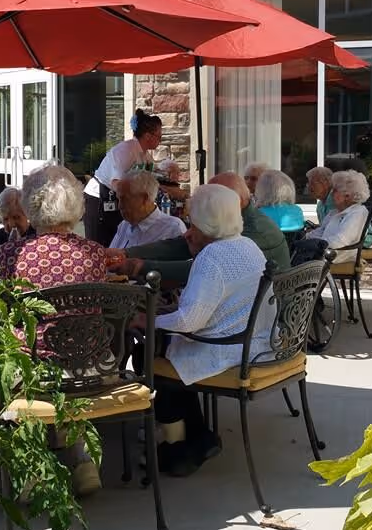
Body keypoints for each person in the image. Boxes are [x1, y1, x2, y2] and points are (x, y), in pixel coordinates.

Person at [136, 184, 268, 476]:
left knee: (148, 356)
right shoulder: (248, 246)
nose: (187, 231)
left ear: (208, 224)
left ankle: (177, 449)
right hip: (249, 343)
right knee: (168, 352)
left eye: (192, 223)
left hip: (222, 349)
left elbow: (189, 321)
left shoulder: (213, 257)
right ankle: (200, 435)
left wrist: (149, 321)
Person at [0, 164, 106, 497]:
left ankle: (29, 467)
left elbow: (3, 311)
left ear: (30, 207)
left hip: (33, 373)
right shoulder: (94, 254)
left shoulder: (11, 255)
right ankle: (83, 462)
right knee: (72, 350)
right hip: (89, 370)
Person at [110, 172, 289, 286]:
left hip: (259, 323)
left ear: (233, 201)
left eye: (211, 200)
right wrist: (126, 253)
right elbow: (181, 245)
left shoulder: (254, 232)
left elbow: (202, 272)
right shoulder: (235, 222)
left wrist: (140, 266)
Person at [83, 109, 163, 246]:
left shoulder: (144, 155)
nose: (160, 141)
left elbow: (154, 177)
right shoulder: (126, 151)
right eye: (159, 136)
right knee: (99, 245)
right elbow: (117, 184)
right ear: (148, 136)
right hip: (99, 200)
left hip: (115, 199)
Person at [305, 170, 371, 263]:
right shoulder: (334, 212)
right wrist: (305, 238)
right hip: (323, 253)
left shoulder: (357, 213)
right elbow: (320, 231)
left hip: (336, 256)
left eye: (335, 190)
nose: (331, 193)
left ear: (347, 196)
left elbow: (340, 241)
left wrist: (314, 243)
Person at [109, 170, 186, 250]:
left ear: (144, 198)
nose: (119, 206)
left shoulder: (172, 228)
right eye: (119, 199)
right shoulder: (124, 225)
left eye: (125, 199)